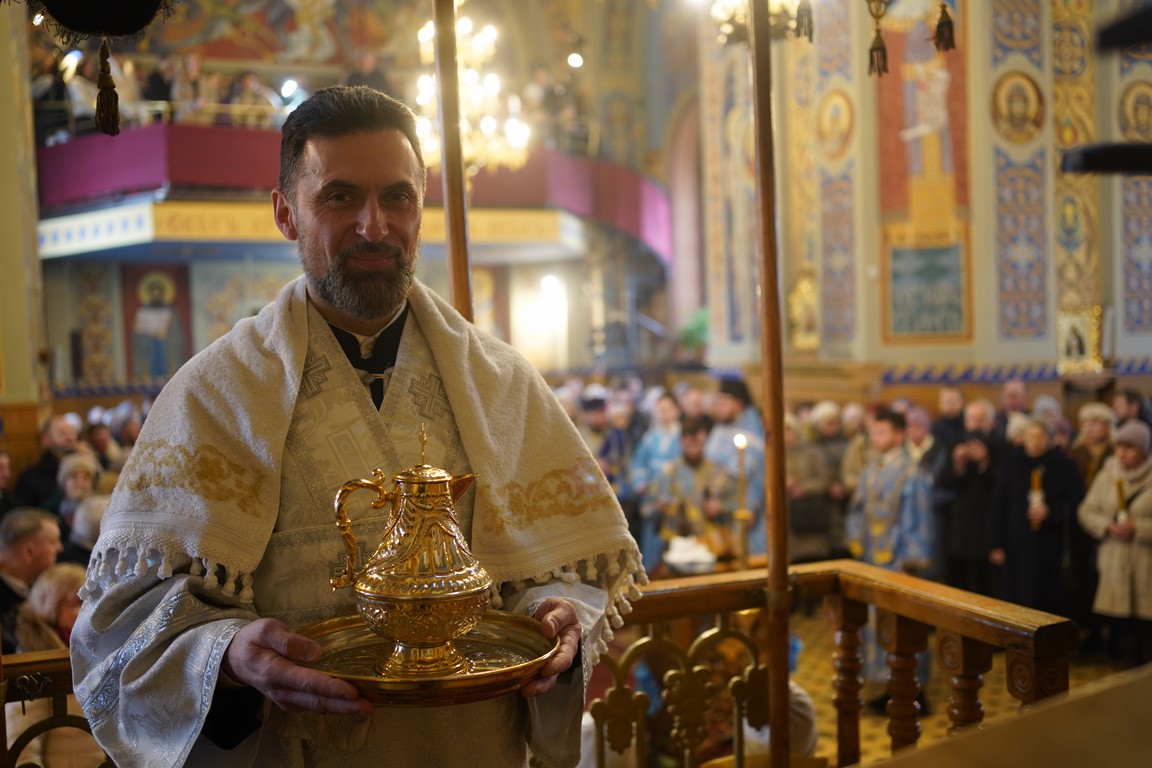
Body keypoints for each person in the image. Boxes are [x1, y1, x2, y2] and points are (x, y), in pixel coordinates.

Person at [70, 86, 643, 768]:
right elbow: (122, 624)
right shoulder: (212, 395)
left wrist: (557, 613)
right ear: (286, 214)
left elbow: (557, 572)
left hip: (471, 746)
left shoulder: (501, 383)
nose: (375, 226)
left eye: (398, 198)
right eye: (340, 197)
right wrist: (226, 654)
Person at [845, 409, 935, 714]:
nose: (876, 438)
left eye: (882, 432)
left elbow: (918, 520)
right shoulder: (872, 468)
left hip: (898, 561)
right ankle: (888, 685)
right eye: (874, 432)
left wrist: (910, 562)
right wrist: (856, 542)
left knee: (905, 622)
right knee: (878, 623)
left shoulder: (912, 473)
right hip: (873, 558)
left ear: (899, 434)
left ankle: (916, 690)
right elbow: (858, 508)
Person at [5, 562, 105, 768]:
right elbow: (21, 742)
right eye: (78, 602)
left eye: (90, 600)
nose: (88, 609)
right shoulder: (36, 660)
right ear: (51, 606)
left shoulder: (96, 647)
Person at [1076, 420, 1152, 667]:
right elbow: (1086, 510)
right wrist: (1107, 525)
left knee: (1145, 625)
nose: (1123, 453)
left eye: (1130, 447)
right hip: (1115, 560)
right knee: (1122, 624)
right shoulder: (1108, 473)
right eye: (1119, 446)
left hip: (1145, 561)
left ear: (1143, 450)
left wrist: (1138, 528)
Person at [989, 418, 1084, 614]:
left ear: (1050, 439)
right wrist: (996, 544)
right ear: (1022, 439)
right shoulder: (1011, 464)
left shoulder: (1065, 465)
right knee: (1017, 595)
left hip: (1051, 542)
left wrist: (1051, 511)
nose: (1035, 442)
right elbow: (998, 505)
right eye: (1030, 437)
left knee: (1048, 597)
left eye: (1040, 437)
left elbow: (1076, 503)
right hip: (1017, 542)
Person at [644, 415, 738, 569]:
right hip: (676, 546)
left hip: (711, 544)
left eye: (698, 444)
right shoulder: (669, 473)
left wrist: (720, 506)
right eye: (689, 445)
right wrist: (658, 507)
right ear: (681, 443)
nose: (694, 450)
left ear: (705, 441)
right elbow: (647, 507)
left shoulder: (717, 471)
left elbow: (737, 503)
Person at [0, 508, 64, 654]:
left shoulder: (30, 585)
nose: (60, 548)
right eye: (53, 542)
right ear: (29, 551)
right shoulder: (4, 600)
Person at [15, 415, 79, 509]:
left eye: (71, 432)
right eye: (62, 433)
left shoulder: (84, 466)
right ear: (46, 440)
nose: (69, 437)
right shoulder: (30, 478)